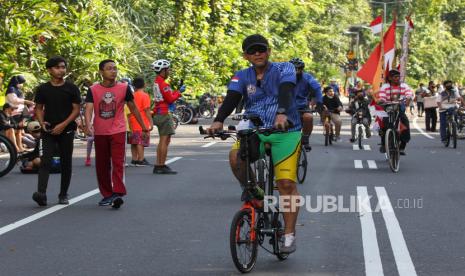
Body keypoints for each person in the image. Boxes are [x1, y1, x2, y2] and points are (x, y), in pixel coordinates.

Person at [208, 34, 301, 254]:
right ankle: (256, 194)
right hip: (255, 130)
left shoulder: (284, 69)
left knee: (286, 184)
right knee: (234, 157)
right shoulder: (241, 76)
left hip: (285, 130)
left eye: (261, 49)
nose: (257, 54)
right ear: (246, 55)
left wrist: (282, 114)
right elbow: (231, 98)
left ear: (268, 51)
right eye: (252, 51)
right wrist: (218, 120)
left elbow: (287, 91)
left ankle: (288, 234)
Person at [84, 59, 149, 208]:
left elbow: (133, 108)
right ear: (101, 72)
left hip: (118, 130)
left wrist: (144, 127)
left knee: (118, 162)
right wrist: (88, 125)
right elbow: (89, 108)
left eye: (115, 68)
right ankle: (107, 194)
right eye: (109, 68)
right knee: (102, 164)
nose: (113, 71)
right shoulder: (93, 89)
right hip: (100, 132)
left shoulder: (124, 87)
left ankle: (118, 192)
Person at [32, 56, 81, 206]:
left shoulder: (71, 88)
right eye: (58, 67)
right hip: (48, 130)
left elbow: (76, 109)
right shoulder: (43, 88)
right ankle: (41, 194)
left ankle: (63, 194)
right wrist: (41, 123)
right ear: (49, 70)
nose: (61, 70)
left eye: (63, 67)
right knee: (45, 160)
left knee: (66, 162)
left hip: (67, 130)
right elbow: (39, 108)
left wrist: (64, 124)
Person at [151, 59, 183, 174]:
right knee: (165, 140)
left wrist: (175, 92)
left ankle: (158, 164)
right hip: (164, 114)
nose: (169, 71)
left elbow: (166, 96)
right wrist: (179, 92)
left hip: (158, 112)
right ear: (163, 70)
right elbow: (170, 99)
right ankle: (161, 165)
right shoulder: (163, 83)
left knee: (162, 140)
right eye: (168, 69)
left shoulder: (156, 82)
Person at [289, 57, 322, 151]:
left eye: (298, 69)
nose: (295, 71)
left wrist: (319, 102)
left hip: (302, 106)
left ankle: (305, 138)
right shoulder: (282, 77)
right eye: (293, 69)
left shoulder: (307, 77)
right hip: (286, 107)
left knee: (309, 117)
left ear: (301, 69)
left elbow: (317, 88)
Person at [377, 69, 413, 155]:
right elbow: (382, 97)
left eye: (398, 77)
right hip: (388, 108)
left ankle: (402, 146)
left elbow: (409, 93)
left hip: (399, 108)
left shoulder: (404, 86)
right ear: (390, 78)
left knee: (405, 124)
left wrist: (408, 98)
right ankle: (383, 143)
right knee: (383, 124)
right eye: (395, 77)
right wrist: (381, 101)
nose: (397, 79)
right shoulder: (385, 86)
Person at [6, 75, 34, 153]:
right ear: (17, 82)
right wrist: (26, 101)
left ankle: (20, 147)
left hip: (19, 113)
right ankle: (15, 148)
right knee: (13, 131)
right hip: (13, 113)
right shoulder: (11, 89)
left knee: (19, 131)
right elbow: (13, 100)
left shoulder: (18, 90)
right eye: (21, 83)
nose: (22, 85)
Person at [128, 77, 153, 166]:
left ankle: (134, 159)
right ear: (144, 85)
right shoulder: (145, 95)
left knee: (133, 141)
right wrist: (151, 122)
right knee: (140, 142)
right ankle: (141, 159)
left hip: (131, 121)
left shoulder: (132, 95)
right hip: (141, 121)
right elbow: (147, 110)